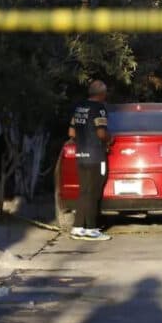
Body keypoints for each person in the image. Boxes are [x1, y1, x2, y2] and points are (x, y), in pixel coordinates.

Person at [68, 80, 113, 241]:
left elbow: (71, 132)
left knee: (84, 191)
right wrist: (110, 139)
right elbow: (101, 133)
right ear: (101, 94)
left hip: (81, 155)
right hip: (96, 156)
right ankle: (91, 229)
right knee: (94, 192)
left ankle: (78, 227)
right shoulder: (99, 108)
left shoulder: (79, 107)